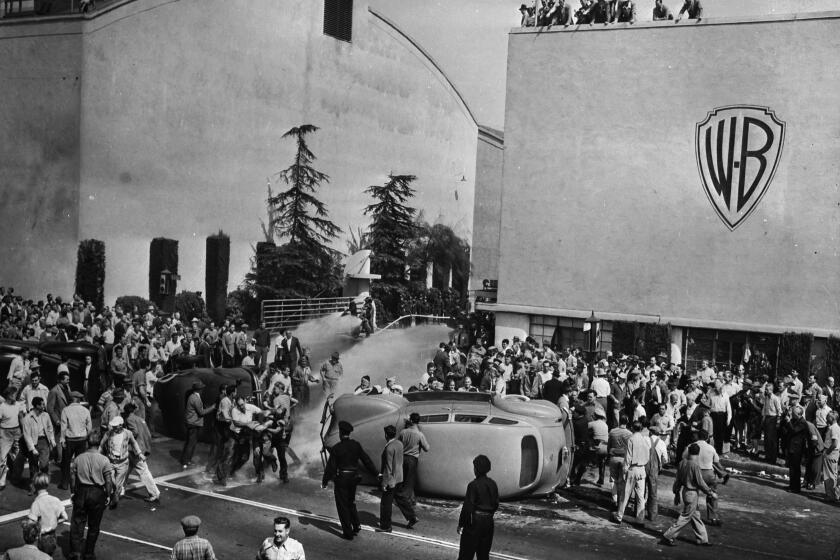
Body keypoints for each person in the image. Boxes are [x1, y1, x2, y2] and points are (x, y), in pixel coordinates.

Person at [321, 421, 378, 540]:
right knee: (351, 502)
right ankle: (356, 525)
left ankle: (348, 533)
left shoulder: (337, 448)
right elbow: (366, 460)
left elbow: (331, 467)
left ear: (341, 433)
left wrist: (325, 481)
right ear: (348, 433)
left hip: (342, 478)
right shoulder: (356, 445)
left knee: (342, 506)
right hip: (354, 479)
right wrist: (376, 473)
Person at [69, 432, 117, 560]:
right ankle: (89, 553)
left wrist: (73, 492)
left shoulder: (79, 458)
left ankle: (76, 552)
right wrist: (108, 495)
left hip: (81, 492)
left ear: (87, 443)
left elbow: (72, 477)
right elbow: (108, 481)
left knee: (77, 523)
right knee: (94, 526)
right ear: (99, 443)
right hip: (97, 494)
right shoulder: (104, 460)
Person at [661, 443, 716, 547]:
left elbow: (678, 480)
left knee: (696, 516)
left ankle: (703, 539)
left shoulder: (682, 463)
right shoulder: (695, 465)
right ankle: (668, 535)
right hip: (692, 493)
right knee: (685, 517)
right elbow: (700, 482)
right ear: (698, 453)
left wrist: (676, 493)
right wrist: (710, 493)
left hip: (685, 491)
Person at [457, 455, 499, 560]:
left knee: (466, 554)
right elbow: (496, 504)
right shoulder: (493, 484)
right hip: (489, 522)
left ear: (476, 469)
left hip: (475, 522)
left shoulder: (473, 485)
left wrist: (461, 524)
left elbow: (467, 507)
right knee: (483, 555)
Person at [379, 425, 418, 532]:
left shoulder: (389, 448)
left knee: (385, 503)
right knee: (400, 498)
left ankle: (386, 526)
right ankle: (412, 517)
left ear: (386, 435)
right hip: (399, 477)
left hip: (391, 480)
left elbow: (388, 467)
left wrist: (384, 483)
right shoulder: (399, 444)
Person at [612, 420, 649, 525]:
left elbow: (628, 457)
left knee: (625, 494)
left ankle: (619, 516)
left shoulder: (631, 439)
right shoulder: (645, 439)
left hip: (632, 468)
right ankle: (640, 519)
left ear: (632, 428)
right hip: (642, 468)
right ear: (641, 429)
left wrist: (624, 470)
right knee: (640, 496)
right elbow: (647, 455)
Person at [100, 415, 144, 498]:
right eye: (113, 426)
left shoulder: (128, 433)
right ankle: (114, 493)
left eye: (115, 426)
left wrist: (139, 453)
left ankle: (115, 495)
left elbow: (134, 443)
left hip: (122, 463)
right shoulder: (108, 433)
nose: (113, 427)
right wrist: (98, 455)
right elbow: (101, 445)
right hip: (111, 461)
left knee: (118, 483)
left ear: (121, 425)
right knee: (110, 480)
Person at [27, 472, 67, 556]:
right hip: (52, 535)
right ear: (47, 484)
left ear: (34, 485)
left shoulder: (36, 504)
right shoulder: (55, 500)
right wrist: (55, 522)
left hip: (42, 537)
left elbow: (30, 524)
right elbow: (65, 517)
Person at [21, 397, 55, 494]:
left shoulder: (46, 415)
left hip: (44, 441)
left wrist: (52, 439)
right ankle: (33, 486)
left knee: (44, 465)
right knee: (33, 466)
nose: (44, 406)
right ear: (37, 406)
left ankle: (43, 484)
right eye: (42, 404)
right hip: (34, 442)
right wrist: (32, 448)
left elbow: (50, 428)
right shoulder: (28, 418)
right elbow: (27, 435)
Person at [181, 381, 216, 469]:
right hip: (193, 423)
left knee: (190, 442)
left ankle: (186, 460)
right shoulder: (195, 398)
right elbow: (201, 412)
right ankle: (185, 461)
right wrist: (212, 407)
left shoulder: (193, 396)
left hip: (191, 422)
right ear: (200, 389)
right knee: (191, 443)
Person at [398, 412, 429, 505]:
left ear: (411, 420)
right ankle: (405, 501)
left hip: (402, 457)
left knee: (403, 479)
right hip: (412, 459)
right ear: (418, 422)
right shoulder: (419, 434)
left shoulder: (403, 432)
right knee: (410, 481)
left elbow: (398, 444)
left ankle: (410, 498)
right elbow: (426, 448)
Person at [0, 386, 23, 491]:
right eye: (14, 394)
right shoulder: (2, 407)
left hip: (17, 432)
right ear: (9, 396)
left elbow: (21, 418)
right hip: (5, 432)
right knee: (2, 458)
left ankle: (16, 477)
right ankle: (1, 481)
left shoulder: (18, 405)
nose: (15, 396)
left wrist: (23, 432)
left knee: (17, 457)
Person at [785, 404, 808, 494]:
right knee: (791, 468)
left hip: (797, 448)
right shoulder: (795, 420)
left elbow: (794, 430)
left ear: (799, 414)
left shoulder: (802, 422)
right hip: (792, 446)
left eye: (794, 414)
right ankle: (792, 485)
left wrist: (788, 422)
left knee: (795, 468)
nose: (793, 415)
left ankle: (796, 487)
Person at [822, 411, 840, 502]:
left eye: (828, 417)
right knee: (833, 473)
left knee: (829, 474)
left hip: (831, 452)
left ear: (832, 418)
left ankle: (831, 495)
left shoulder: (834, 428)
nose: (826, 418)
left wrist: (827, 452)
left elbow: (834, 443)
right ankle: (834, 494)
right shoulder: (834, 427)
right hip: (833, 452)